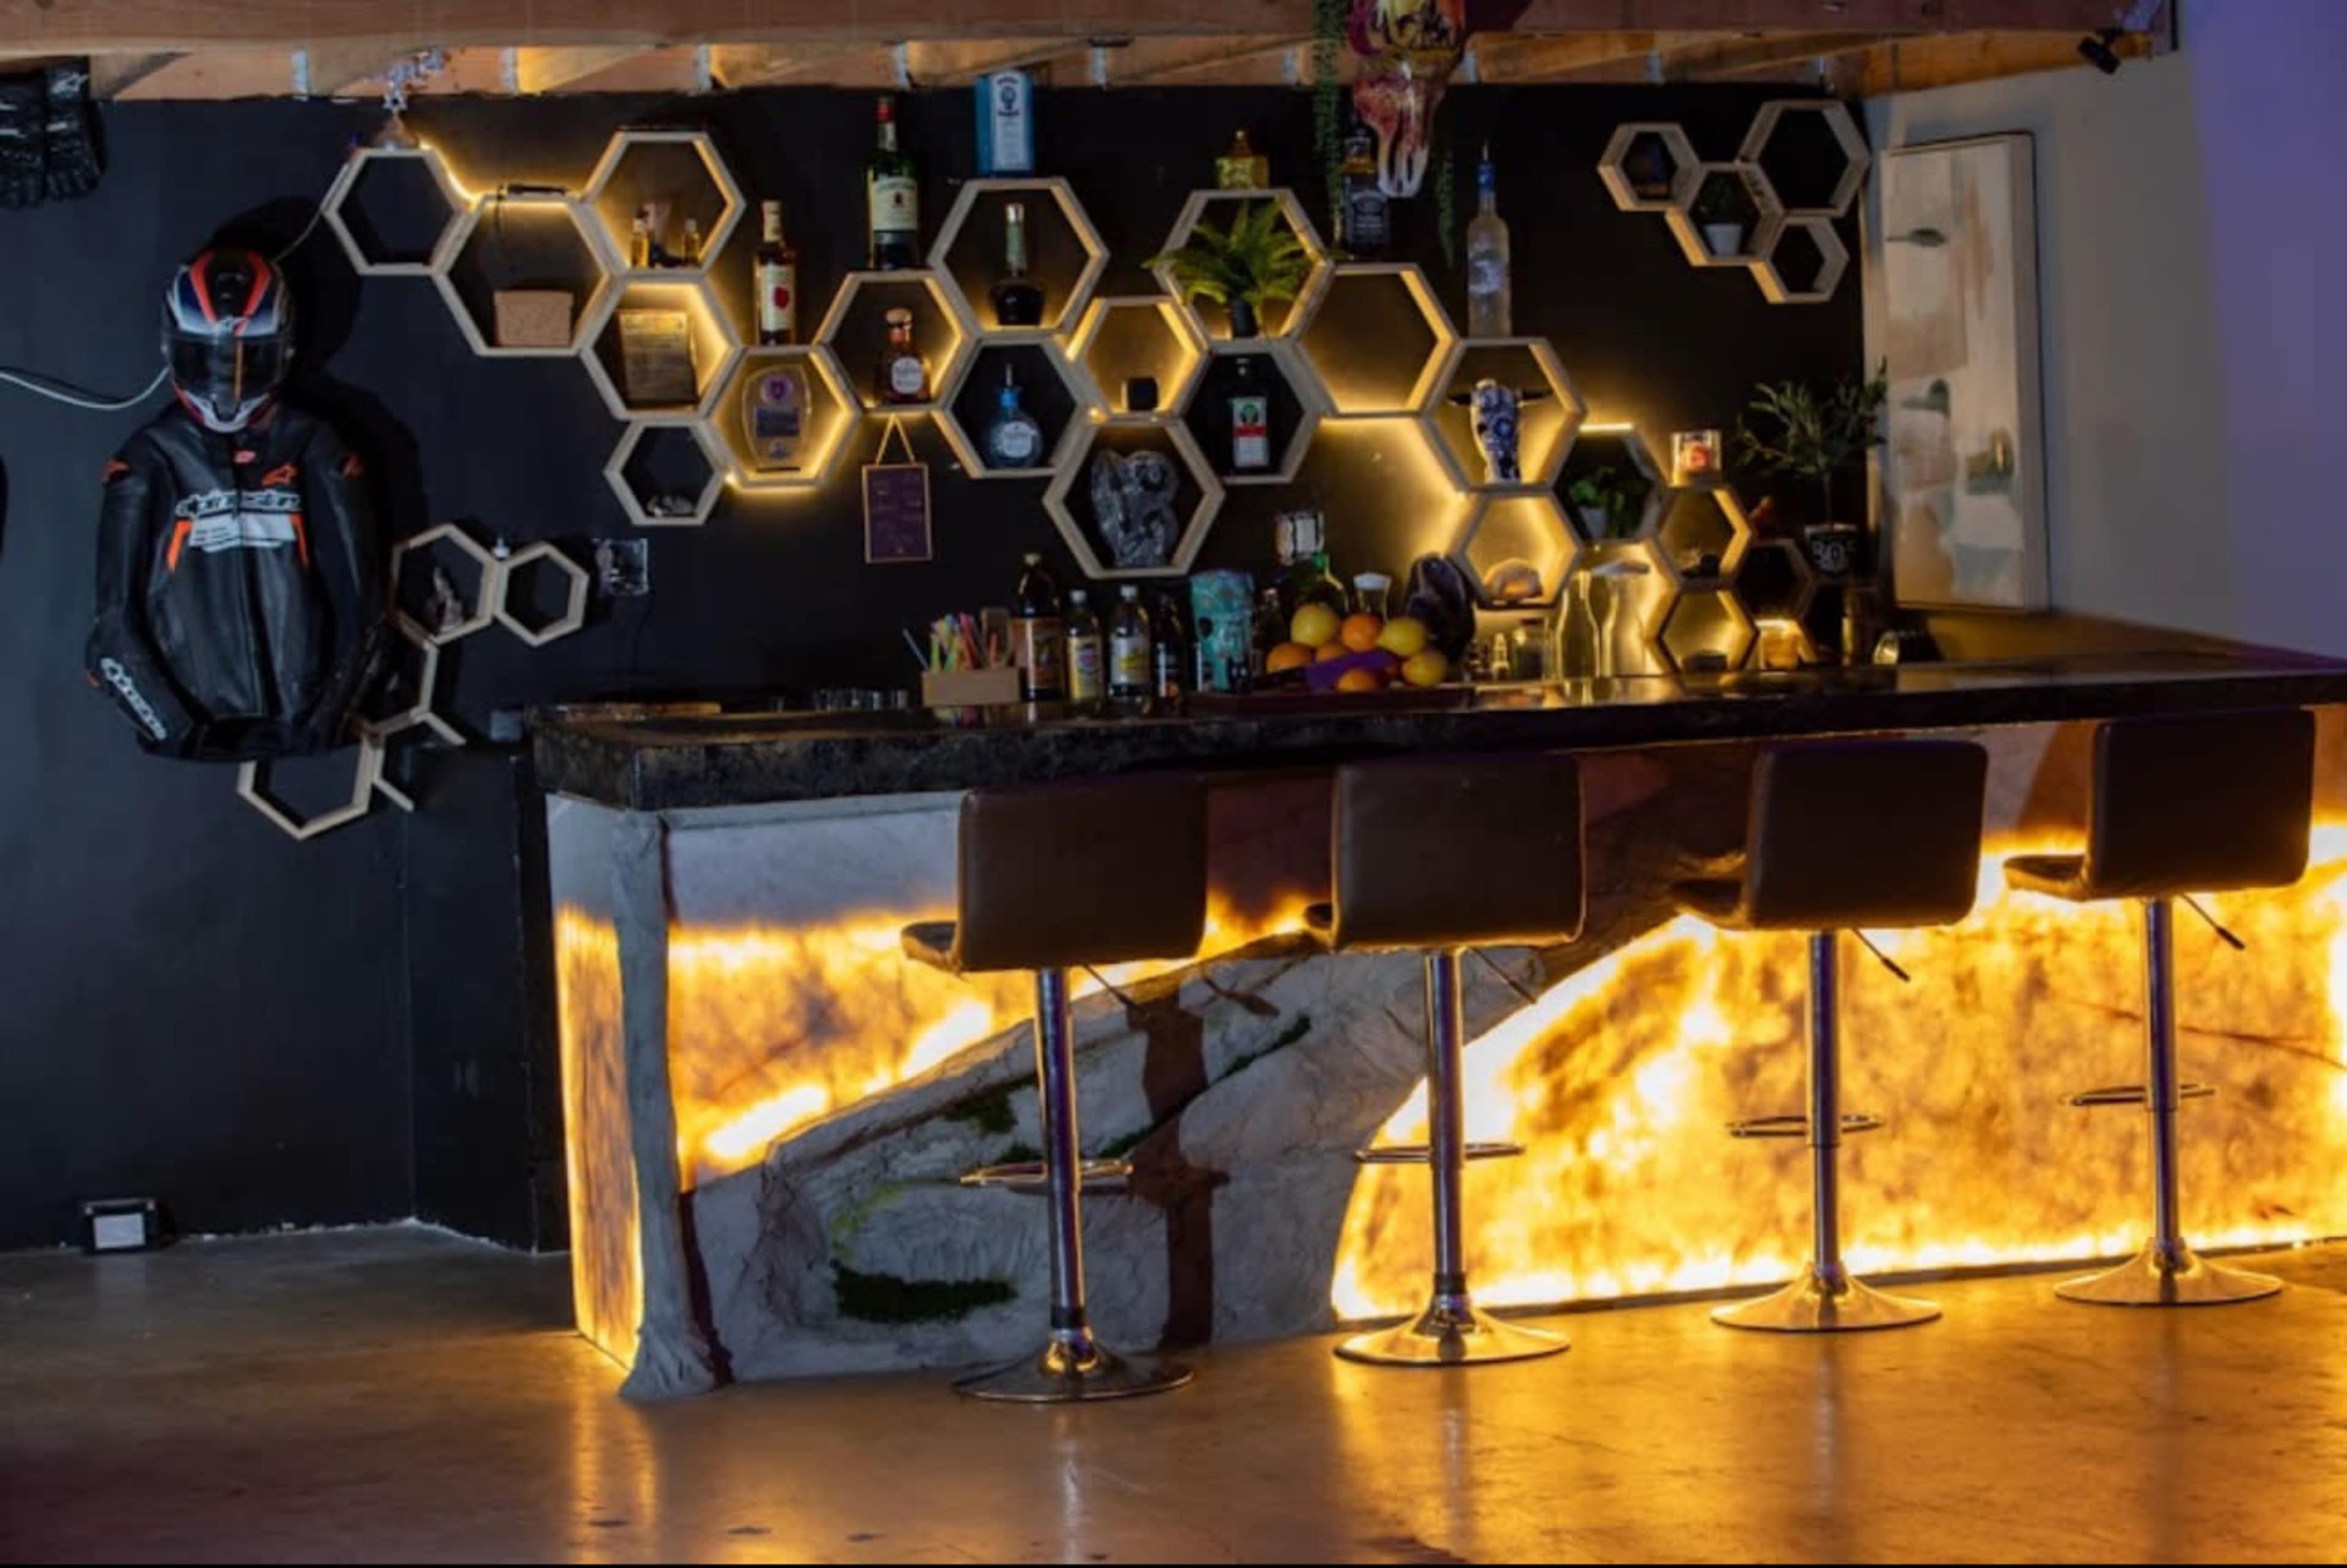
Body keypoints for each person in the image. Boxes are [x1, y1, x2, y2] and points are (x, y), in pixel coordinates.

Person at [86, 246, 383, 760]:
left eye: (253, 359)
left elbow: (368, 601)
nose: (228, 383)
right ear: (173, 348)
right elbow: (113, 626)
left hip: (301, 716)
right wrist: (170, 726)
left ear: (284, 352)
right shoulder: (148, 459)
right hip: (201, 723)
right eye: (208, 359)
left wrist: (329, 712)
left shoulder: (317, 446)